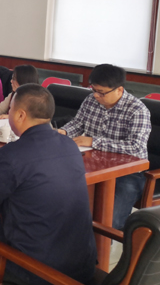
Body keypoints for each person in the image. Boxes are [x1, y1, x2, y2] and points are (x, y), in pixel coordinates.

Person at [0, 84, 97, 285]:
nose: (8, 114)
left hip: (37, 270)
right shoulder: (70, 146)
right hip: (80, 264)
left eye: (10, 109)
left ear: (20, 115)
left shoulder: (12, 154)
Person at [58, 63, 151, 230]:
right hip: (92, 165)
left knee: (110, 222)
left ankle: (104, 244)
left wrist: (93, 141)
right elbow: (78, 123)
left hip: (126, 173)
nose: (96, 96)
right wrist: (63, 132)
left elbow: (136, 147)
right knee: (67, 203)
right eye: (93, 90)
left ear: (119, 90)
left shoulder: (137, 110)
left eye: (101, 92)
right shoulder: (91, 100)